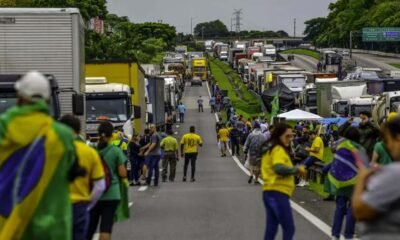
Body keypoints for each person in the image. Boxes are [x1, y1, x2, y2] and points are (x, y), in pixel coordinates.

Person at [0, 71, 82, 239]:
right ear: (47, 100)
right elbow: (73, 169)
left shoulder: (4, 127)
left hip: (8, 225)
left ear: (19, 98)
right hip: (52, 229)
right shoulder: (63, 135)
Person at [352, 116, 400, 239]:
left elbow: (360, 211)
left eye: (388, 141)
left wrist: (362, 177)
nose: (388, 146)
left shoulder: (395, 174)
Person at [59, 115, 106, 240]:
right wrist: (89, 204)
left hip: (55, 206)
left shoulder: (47, 149)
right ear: (79, 131)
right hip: (79, 205)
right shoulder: (89, 152)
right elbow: (100, 186)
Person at [261, 123, 306, 240]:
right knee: (289, 228)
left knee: (271, 229)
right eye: (287, 136)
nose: (290, 139)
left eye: (291, 136)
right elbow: (279, 168)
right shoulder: (278, 149)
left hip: (269, 192)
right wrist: (296, 169)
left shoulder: (270, 148)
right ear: (279, 135)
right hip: (278, 192)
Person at [87, 121, 127, 240]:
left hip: (92, 193)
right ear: (112, 134)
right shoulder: (115, 151)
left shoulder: (91, 149)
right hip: (111, 193)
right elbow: (122, 173)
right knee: (105, 227)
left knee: (90, 228)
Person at [326, 127, 361, 240]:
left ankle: (335, 234)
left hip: (340, 183)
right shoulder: (359, 149)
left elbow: (334, 160)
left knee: (339, 208)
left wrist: (326, 168)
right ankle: (349, 234)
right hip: (354, 183)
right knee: (352, 209)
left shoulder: (341, 147)